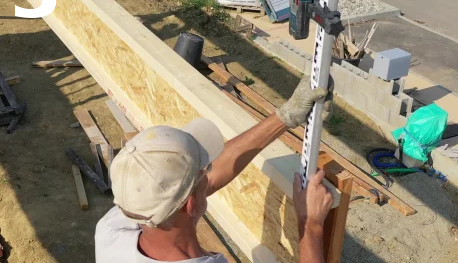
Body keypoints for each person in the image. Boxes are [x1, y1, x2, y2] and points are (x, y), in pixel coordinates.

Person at [95, 76, 335, 263]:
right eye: (203, 172)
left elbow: (191, 188)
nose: (208, 175)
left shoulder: (112, 232)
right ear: (190, 205)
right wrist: (311, 225)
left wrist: (285, 117)